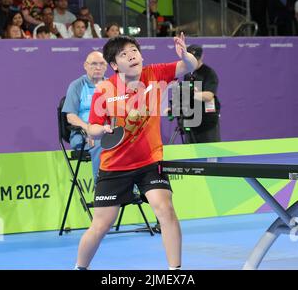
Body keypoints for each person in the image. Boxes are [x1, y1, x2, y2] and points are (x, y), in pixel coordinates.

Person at [74, 33, 199, 270]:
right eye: (124, 54)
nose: (132, 56)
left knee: (165, 209)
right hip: (115, 166)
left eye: (134, 51)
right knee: (101, 225)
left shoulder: (156, 73)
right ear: (114, 65)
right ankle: (80, 267)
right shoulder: (105, 89)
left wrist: (185, 54)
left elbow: (189, 65)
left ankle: (175, 271)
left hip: (150, 162)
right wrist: (103, 129)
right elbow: (91, 127)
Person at [62, 51, 107, 183]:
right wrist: (89, 130)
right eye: (93, 64)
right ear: (85, 66)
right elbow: (70, 116)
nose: (98, 67)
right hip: (82, 134)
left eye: (102, 64)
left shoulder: (112, 85)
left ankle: (130, 187)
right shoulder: (77, 86)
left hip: (107, 132)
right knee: (101, 143)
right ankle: (102, 190)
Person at [183, 45, 221, 143]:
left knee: (210, 153)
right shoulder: (187, 75)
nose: (193, 61)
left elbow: (209, 96)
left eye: (196, 59)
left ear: (201, 57)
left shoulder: (209, 73)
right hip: (192, 121)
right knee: (192, 155)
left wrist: (193, 94)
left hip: (207, 123)